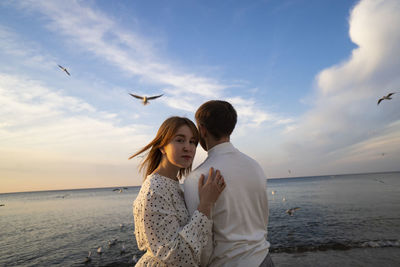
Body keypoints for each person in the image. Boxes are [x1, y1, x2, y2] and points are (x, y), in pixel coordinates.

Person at [184, 100, 274, 267]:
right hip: (263, 259)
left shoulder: (197, 178)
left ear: (202, 130)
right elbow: (262, 219)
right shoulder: (256, 167)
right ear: (230, 127)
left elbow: (201, 244)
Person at [130, 116, 226, 266]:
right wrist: (206, 204)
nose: (188, 147)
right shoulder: (154, 190)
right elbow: (178, 256)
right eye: (180, 140)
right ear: (162, 146)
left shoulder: (172, 184)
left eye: (192, 141)